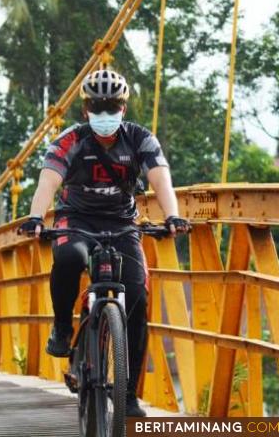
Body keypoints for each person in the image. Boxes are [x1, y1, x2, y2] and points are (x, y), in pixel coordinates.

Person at [19, 69, 190, 418]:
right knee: (67, 257)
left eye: (112, 106)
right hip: (76, 220)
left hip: (123, 223)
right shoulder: (70, 140)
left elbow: (159, 176)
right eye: (98, 107)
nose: (105, 114)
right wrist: (36, 217)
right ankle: (64, 326)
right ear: (85, 110)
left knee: (138, 299)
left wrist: (172, 215)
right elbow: (48, 181)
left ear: (124, 109)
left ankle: (127, 394)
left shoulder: (140, 139)